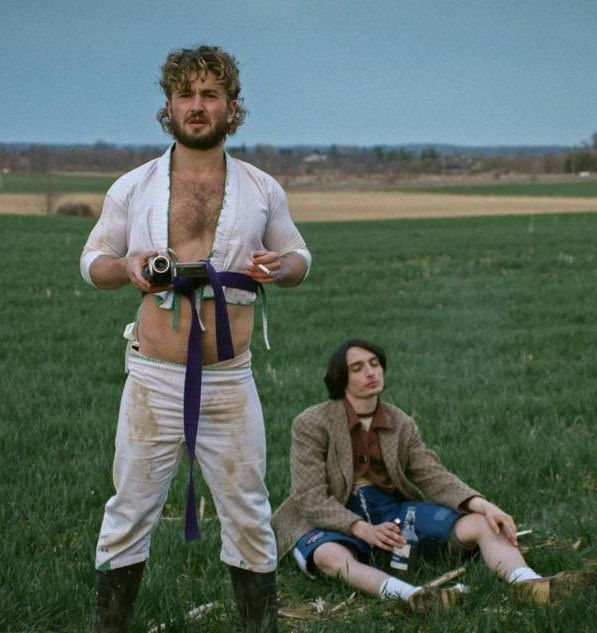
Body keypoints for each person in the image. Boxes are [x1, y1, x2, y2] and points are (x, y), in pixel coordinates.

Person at [80, 44, 311, 632]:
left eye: (211, 94)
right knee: (129, 510)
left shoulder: (261, 188)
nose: (198, 106)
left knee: (249, 513)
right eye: (186, 94)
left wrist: (280, 266)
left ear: (232, 106)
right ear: (169, 106)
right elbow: (92, 261)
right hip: (153, 378)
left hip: (230, 382)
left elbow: (299, 257)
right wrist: (127, 266)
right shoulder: (134, 186)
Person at [272, 339, 593, 611]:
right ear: (341, 378)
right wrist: (360, 528)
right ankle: (412, 596)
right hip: (330, 513)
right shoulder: (312, 423)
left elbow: (433, 475)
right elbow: (309, 496)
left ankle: (528, 583)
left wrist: (483, 505)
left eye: (375, 363)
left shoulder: (400, 422)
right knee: (330, 556)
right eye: (358, 368)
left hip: (391, 509)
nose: (371, 372)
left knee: (483, 523)